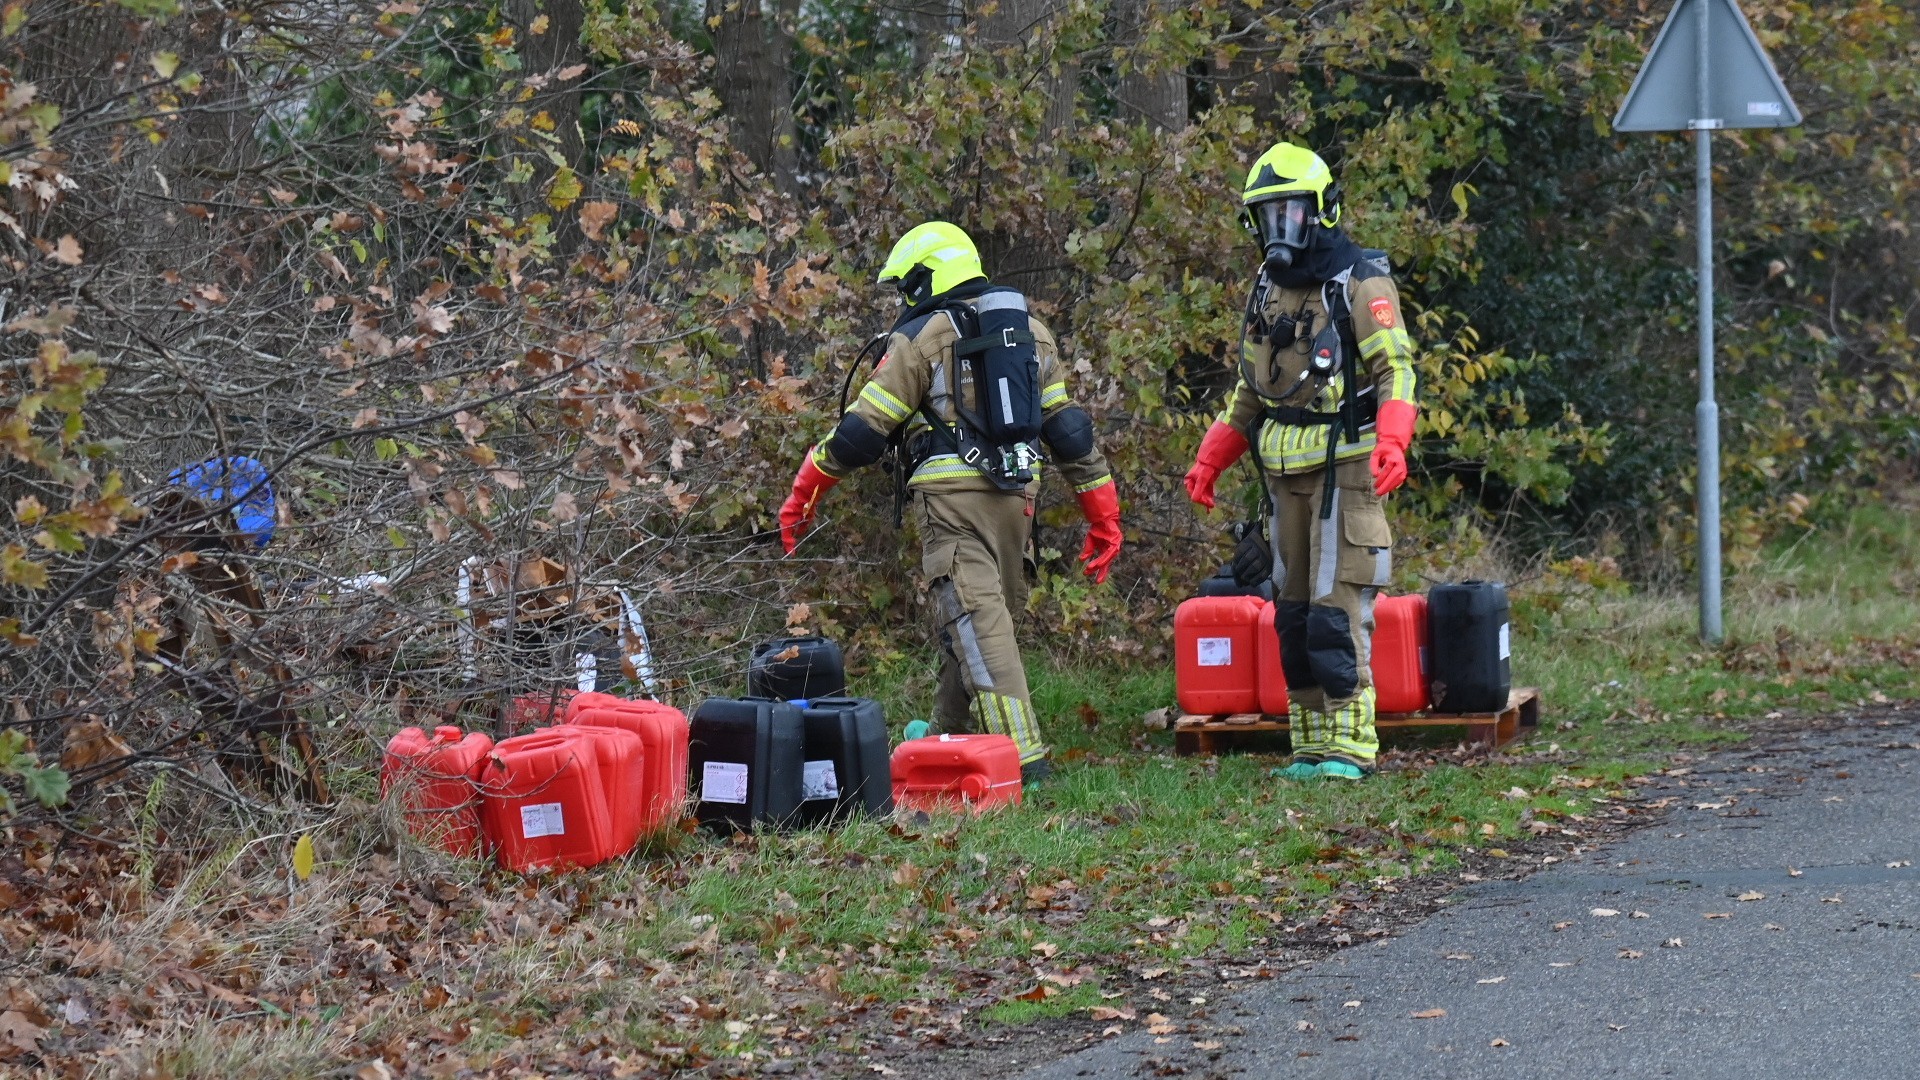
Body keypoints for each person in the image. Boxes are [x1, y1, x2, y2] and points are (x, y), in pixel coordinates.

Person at [777, 222, 1123, 783]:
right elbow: (1070, 432)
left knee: (977, 622)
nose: (904, 300)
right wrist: (1103, 516)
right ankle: (949, 736)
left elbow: (863, 430)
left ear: (928, 276)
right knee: (974, 622)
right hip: (1019, 502)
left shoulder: (924, 337)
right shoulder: (1033, 334)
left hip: (952, 503)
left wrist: (804, 492)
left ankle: (1022, 759)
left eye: (907, 286)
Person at [1182, 143, 1418, 781]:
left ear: (1322, 212)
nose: (1278, 228)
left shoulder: (1360, 281)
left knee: (1335, 610)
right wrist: (1212, 459)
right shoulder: (1269, 288)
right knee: (1290, 614)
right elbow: (1252, 389)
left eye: (1290, 212)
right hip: (1283, 473)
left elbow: (1395, 368)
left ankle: (1349, 745)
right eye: (1267, 215)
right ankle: (1310, 745)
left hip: (1346, 468)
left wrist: (1393, 440)